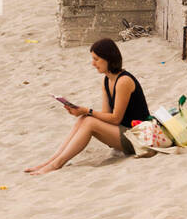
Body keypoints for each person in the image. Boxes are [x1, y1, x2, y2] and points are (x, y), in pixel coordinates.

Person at [25, 37, 151, 174]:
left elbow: (115, 119)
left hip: (139, 137)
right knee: (84, 119)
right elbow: (105, 115)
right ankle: (50, 162)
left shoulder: (124, 81)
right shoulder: (107, 80)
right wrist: (81, 112)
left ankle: (56, 164)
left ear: (108, 58)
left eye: (96, 59)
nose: (93, 63)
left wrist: (88, 111)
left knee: (89, 121)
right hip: (124, 132)